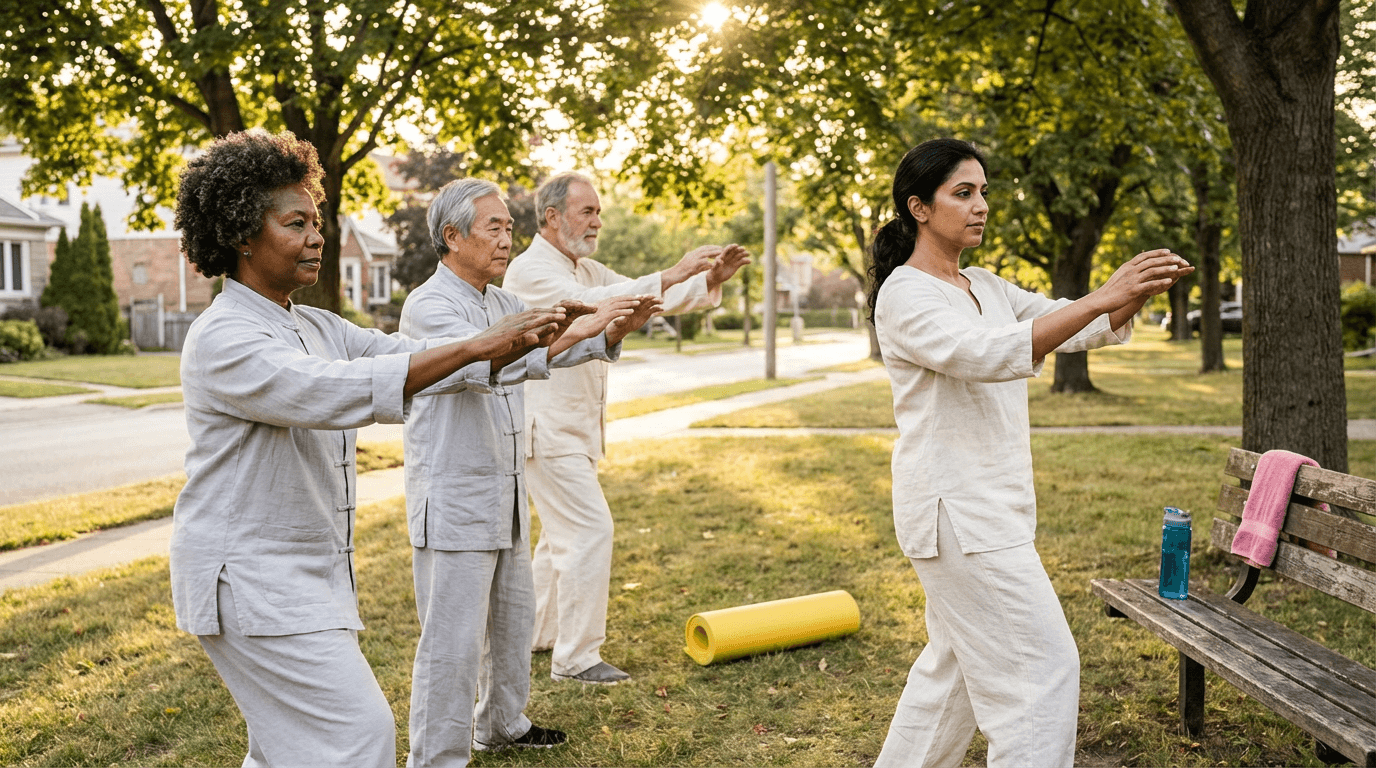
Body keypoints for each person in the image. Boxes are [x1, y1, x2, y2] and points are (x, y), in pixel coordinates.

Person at [169, 129, 564, 768]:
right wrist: (478, 344)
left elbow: (404, 355)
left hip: (300, 578)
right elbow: (329, 390)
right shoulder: (225, 337)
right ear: (242, 233)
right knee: (361, 737)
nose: (317, 237)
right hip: (249, 582)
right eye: (295, 223)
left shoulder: (313, 323)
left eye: (316, 221)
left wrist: (510, 343)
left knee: (279, 754)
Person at [868, 138, 1192, 767]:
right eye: (963, 193)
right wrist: (1105, 293)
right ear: (919, 208)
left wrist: (1138, 289)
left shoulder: (984, 285)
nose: (981, 205)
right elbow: (985, 354)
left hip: (993, 509)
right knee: (1040, 672)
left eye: (984, 192)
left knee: (952, 674)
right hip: (957, 515)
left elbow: (1076, 324)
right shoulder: (905, 294)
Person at [399, 178, 662, 766]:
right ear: (452, 236)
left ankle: (502, 723)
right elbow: (477, 362)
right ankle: (436, 757)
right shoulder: (429, 304)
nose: (505, 240)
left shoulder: (502, 302)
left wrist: (608, 331)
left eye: (508, 229)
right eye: (492, 228)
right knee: (452, 642)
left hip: (506, 487)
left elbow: (547, 350)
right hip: (455, 497)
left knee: (513, 622)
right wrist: (573, 330)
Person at [502, 172, 751, 684]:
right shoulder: (530, 271)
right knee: (589, 532)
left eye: (599, 212)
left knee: (559, 540)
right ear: (552, 217)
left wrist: (709, 280)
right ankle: (577, 660)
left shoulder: (586, 267)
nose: (597, 221)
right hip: (546, 430)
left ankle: (539, 636)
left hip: (574, 430)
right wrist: (674, 270)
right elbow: (594, 304)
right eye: (587, 212)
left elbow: (643, 298)